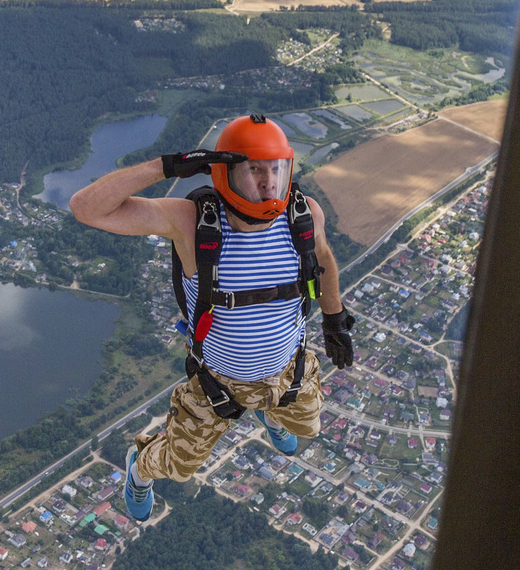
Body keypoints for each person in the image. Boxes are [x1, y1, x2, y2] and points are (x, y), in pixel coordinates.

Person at [69, 114, 355, 521]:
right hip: (216, 382)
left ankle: (269, 409)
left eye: (276, 169)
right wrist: (165, 167)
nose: (269, 183)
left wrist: (334, 318)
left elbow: (323, 259)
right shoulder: (192, 222)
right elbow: (86, 208)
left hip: (286, 370)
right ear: (226, 173)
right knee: (178, 467)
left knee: (308, 427)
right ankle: (138, 469)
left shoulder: (303, 215)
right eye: (254, 170)